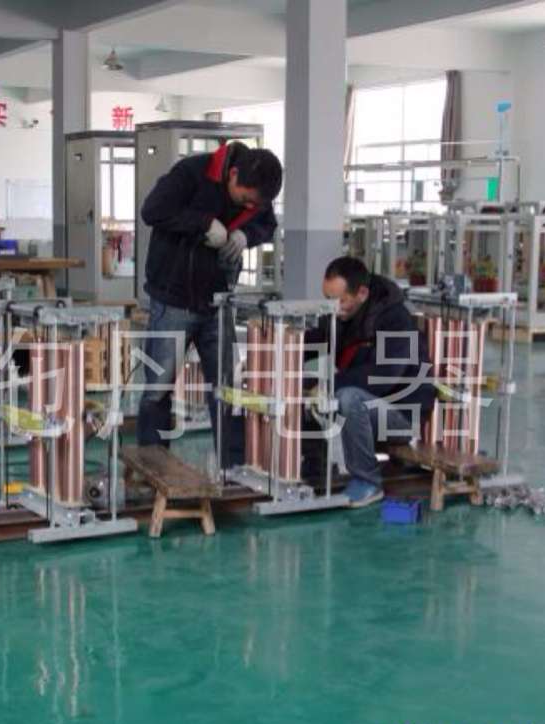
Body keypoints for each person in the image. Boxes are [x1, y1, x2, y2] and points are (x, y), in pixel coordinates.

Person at [137, 141, 283, 465]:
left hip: (218, 304)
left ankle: (233, 470)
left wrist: (247, 235)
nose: (249, 205)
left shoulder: (257, 192)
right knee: (158, 389)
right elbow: (153, 211)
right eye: (245, 199)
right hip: (173, 300)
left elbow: (267, 224)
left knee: (227, 389)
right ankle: (151, 470)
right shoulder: (191, 173)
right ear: (233, 174)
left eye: (255, 203)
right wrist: (203, 223)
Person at [305, 257, 436, 507]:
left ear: (362, 293)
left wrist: (330, 385)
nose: (333, 307)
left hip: (401, 415)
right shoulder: (343, 314)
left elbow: (386, 373)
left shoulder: (394, 318)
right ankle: (314, 469)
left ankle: (368, 482)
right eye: (328, 299)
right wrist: (276, 353)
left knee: (346, 397)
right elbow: (315, 340)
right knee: (302, 386)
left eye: (340, 300)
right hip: (371, 407)